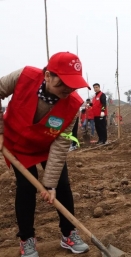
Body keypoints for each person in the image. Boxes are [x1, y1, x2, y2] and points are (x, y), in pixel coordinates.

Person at [0, 52, 90, 256]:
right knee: (25, 188)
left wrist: (49, 185)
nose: (68, 89)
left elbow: (60, 146)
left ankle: (69, 233)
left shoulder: (73, 105)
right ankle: (26, 239)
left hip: (48, 146)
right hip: (16, 144)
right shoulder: (24, 76)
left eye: (73, 84)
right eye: (63, 83)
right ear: (48, 75)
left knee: (62, 186)